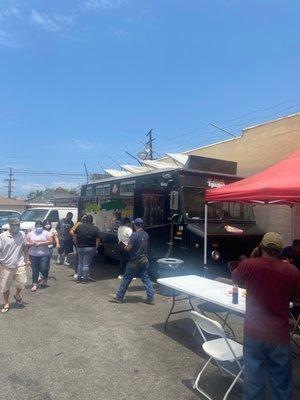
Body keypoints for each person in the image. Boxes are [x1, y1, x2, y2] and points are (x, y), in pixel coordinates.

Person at [231, 232, 300, 400]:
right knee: (281, 381)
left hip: (254, 331)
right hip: (279, 334)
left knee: (253, 380)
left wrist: (253, 257)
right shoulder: (292, 271)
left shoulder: (249, 265)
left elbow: (235, 278)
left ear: (261, 247)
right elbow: (297, 298)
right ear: (280, 250)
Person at [110, 218, 155, 305]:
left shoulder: (134, 235)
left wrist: (123, 247)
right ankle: (150, 298)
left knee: (126, 278)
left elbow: (128, 248)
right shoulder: (146, 234)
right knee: (146, 279)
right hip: (144, 259)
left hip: (135, 260)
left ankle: (119, 296)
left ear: (135, 225)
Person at [0, 217, 30, 314]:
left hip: (19, 264)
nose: (17, 227)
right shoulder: (2, 236)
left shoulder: (22, 234)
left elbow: (25, 246)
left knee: (22, 283)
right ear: (10, 225)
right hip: (6, 265)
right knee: (5, 287)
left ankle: (17, 295)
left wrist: (27, 259)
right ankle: (6, 303)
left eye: (18, 225)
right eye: (15, 225)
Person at [27, 221, 53, 292]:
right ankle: (35, 284)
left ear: (42, 226)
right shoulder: (30, 234)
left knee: (43, 268)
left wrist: (40, 243)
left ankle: (45, 278)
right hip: (33, 255)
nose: (39, 227)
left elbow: (51, 241)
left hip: (44, 254)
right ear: (35, 226)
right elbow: (26, 243)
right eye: (37, 226)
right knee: (35, 270)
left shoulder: (46, 233)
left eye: (40, 226)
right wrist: (32, 243)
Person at [73, 214, 101, 283]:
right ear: (92, 220)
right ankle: (84, 279)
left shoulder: (79, 226)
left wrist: (76, 243)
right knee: (86, 264)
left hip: (80, 247)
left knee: (80, 263)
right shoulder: (95, 228)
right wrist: (96, 248)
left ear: (85, 220)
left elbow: (74, 235)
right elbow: (97, 240)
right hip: (90, 248)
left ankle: (79, 278)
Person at [70, 214, 87, 279]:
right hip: (78, 243)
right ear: (81, 217)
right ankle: (76, 272)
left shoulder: (87, 224)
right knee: (78, 258)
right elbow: (71, 231)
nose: (85, 218)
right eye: (84, 217)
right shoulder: (78, 223)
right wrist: (76, 236)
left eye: (86, 217)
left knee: (83, 258)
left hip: (84, 243)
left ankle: (82, 272)